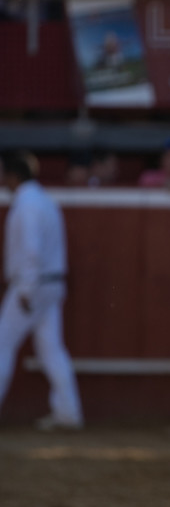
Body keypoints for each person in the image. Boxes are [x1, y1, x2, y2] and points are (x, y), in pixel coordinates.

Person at [0, 151, 83, 433]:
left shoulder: (26, 205)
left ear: (11, 175)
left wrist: (25, 288)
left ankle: (68, 412)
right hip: (51, 283)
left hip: (31, 285)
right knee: (51, 350)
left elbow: (31, 251)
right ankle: (68, 412)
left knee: (2, 344)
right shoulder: (45, 201)